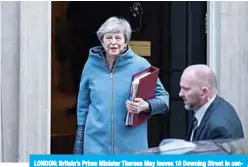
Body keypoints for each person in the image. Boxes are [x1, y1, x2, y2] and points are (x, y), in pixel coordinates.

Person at [73, 16, 169, 154]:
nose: (113, 43)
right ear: (101, 41)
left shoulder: (140, 65)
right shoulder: (91, 65)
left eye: (118, 38)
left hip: (131, 146)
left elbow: (164, 99)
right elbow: (83, 106)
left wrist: (146, 106)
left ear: (125, 41)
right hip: (95, 144)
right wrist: (79, 143)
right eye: (108, 38)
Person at [179, 64, 244, 141]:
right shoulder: (203, 109)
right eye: (181, 88)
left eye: (186, 89)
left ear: (204, 92)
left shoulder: (219, 129)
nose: (180, 94)